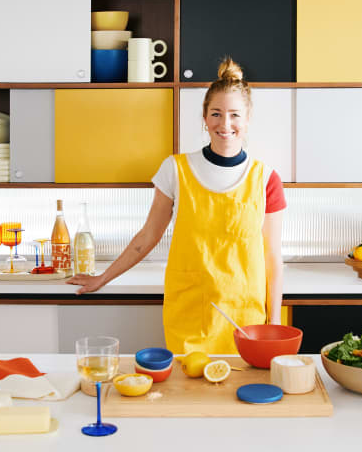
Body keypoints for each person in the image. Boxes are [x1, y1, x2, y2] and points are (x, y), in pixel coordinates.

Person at [67, 58, 287, 354]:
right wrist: (101, 278)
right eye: (216, 114)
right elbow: (147, 237)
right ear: (204, 119)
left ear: (247, 120)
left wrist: (273, 324)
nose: (225, 124)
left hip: (245, 318)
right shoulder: (175, 169)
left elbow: (272, 257)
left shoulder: (266, 179)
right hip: (189, 314)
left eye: (235, 115)